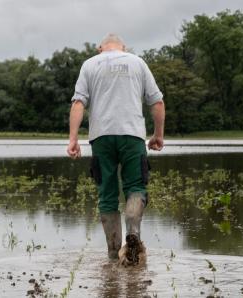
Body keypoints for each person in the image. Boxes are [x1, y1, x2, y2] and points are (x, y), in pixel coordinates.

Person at [66, 33, 165, 264]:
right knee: (135, 187)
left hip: (101, 137)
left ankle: (113, 256)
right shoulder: (137, 62)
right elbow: (157, 102)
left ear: (100, 48)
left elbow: (78, 103)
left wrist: (73, 139)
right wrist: (158, 135)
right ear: (124, 47)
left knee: (107, 196)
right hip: (132, 136)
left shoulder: (89, 64)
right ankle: (133, 232)